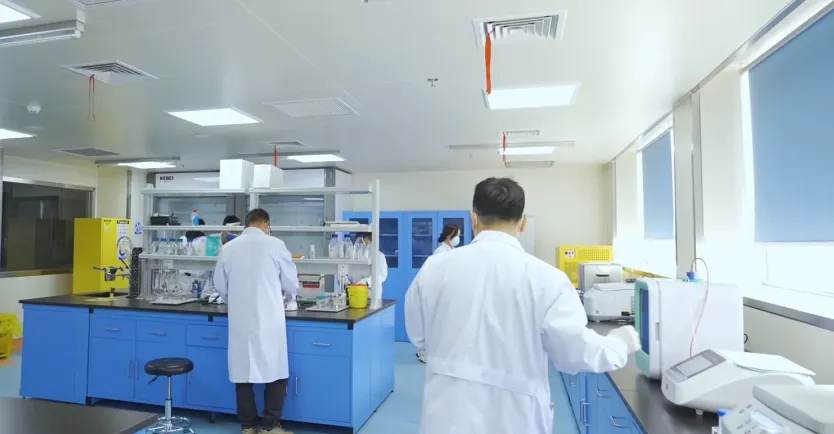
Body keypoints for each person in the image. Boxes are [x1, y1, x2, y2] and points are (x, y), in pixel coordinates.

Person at [404, 177, 640, 434]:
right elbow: (574, 353)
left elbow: (418, 336)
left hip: (446, 418)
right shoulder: (548, 279)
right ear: (523, 222)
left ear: (473, 218)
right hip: (515, 420)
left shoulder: (433, 269)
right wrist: (619, 344)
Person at [213, 209, 298, 434]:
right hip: (270, 319)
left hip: (240, 319)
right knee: (276, 371)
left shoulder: (229, 248)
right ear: (266, 224)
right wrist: (288, 298)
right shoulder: (276, 245)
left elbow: (220, 286)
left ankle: (248, 426)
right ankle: (270, 426)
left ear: (246, 224)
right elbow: (291, 284)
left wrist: (236, 300)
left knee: (243, 374)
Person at [414, 223, 462, 363]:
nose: (458, 238)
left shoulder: (452, 251)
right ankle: (425, 353)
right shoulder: (439, 253)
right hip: (440, 293)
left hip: (449, 293)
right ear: (449, 236)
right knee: (435, 325)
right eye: (457, 235)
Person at [350, 232, 388, 300]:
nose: (361, 243)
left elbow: (382, 275)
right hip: (353, 293)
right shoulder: (353, 255)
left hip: (371, 294)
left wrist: (366, 282)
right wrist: (347, 283)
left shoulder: (379, 255)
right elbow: (345, 272)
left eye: (365, 241)